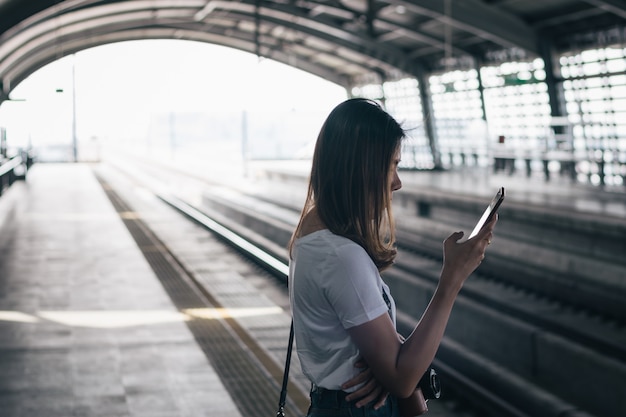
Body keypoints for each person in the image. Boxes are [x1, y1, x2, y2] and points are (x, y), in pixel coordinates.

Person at [288, 98, 497, 416]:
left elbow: (387, 363)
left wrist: (386, 357)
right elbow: (401, 379)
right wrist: (452, 277)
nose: (397, 183)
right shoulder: (340, 256)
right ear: (361, 169)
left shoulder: (314, 235)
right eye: (392, 166)